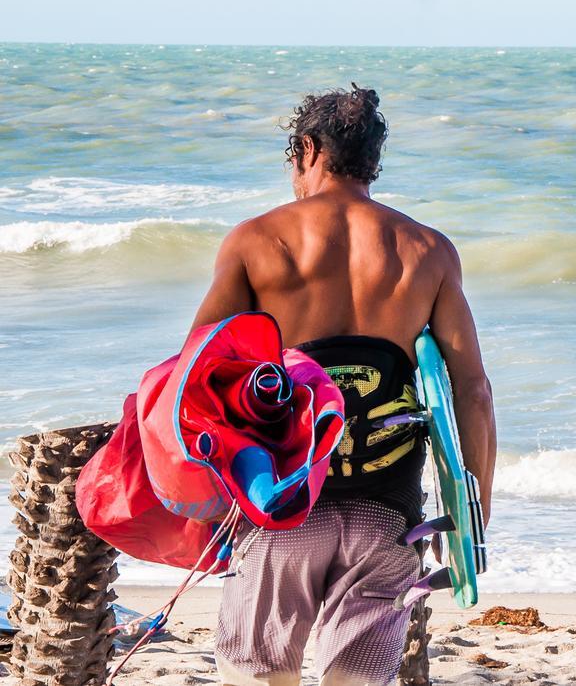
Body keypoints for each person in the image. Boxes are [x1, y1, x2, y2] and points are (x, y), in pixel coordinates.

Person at [190, 83, 496, 686]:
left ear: (307, 150)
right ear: (373, 162)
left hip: (285, 505)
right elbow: (473, 391)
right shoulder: (429, 250)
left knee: (258, 673)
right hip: (387, 510)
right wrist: (472, 512)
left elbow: (195, 372)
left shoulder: (258, 241)